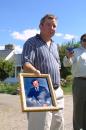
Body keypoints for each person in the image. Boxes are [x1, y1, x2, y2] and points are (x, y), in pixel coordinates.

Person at [22, 14, 64, 130]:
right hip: (40, 92)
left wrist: (59, 80)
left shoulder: (55, 45)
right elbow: (26, 64)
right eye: (48, 25)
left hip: (58, 91)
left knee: (57, 125)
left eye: (54, 26)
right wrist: (35, 71)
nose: (52, 28)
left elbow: (58, 66)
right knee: (40, 126)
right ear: (40, 26)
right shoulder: (31, 43)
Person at [63, 33, 86, 130]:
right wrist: (68, 57)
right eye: (85, 40)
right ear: (81, 41)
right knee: (79, 107)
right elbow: (66, 64)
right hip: (80, 82)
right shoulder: (75, 51)